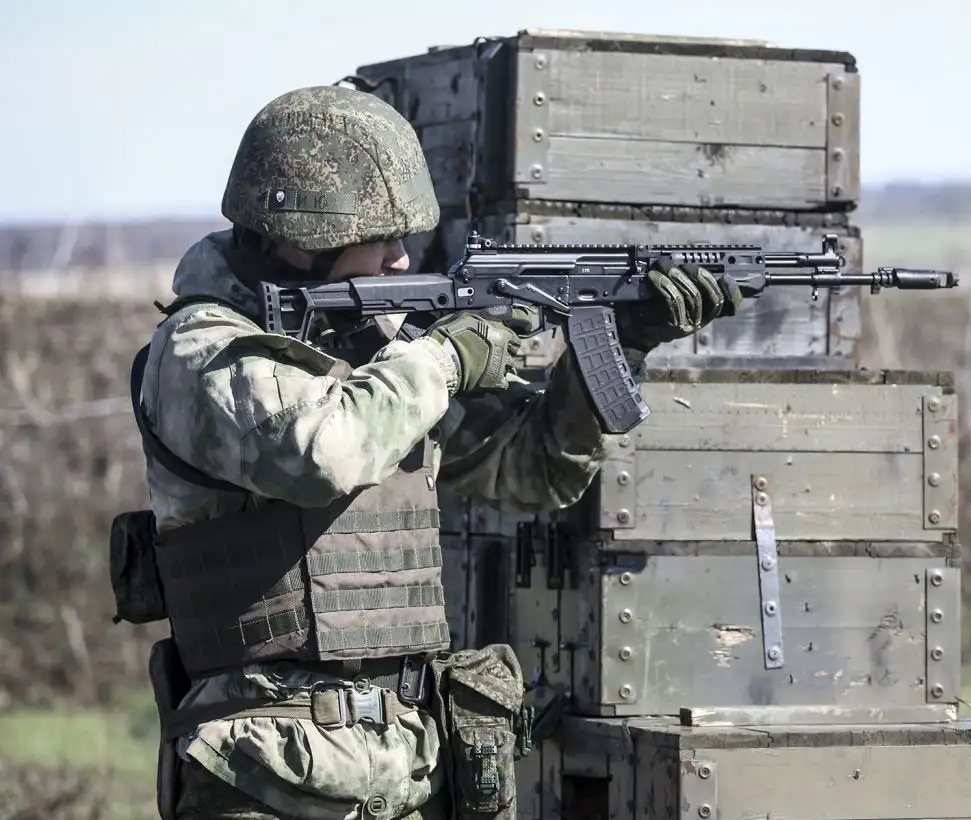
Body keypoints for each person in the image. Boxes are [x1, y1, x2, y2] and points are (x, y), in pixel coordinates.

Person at [127, 85, 741, 820]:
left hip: (411, 773)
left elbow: (529, 472)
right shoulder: (201, 352)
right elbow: (321, 451)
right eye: (383, 238)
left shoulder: (379, 361)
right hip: (267, 774)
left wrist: (619, 345)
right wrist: (446, 357)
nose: (402, 258)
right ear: (305, 236)